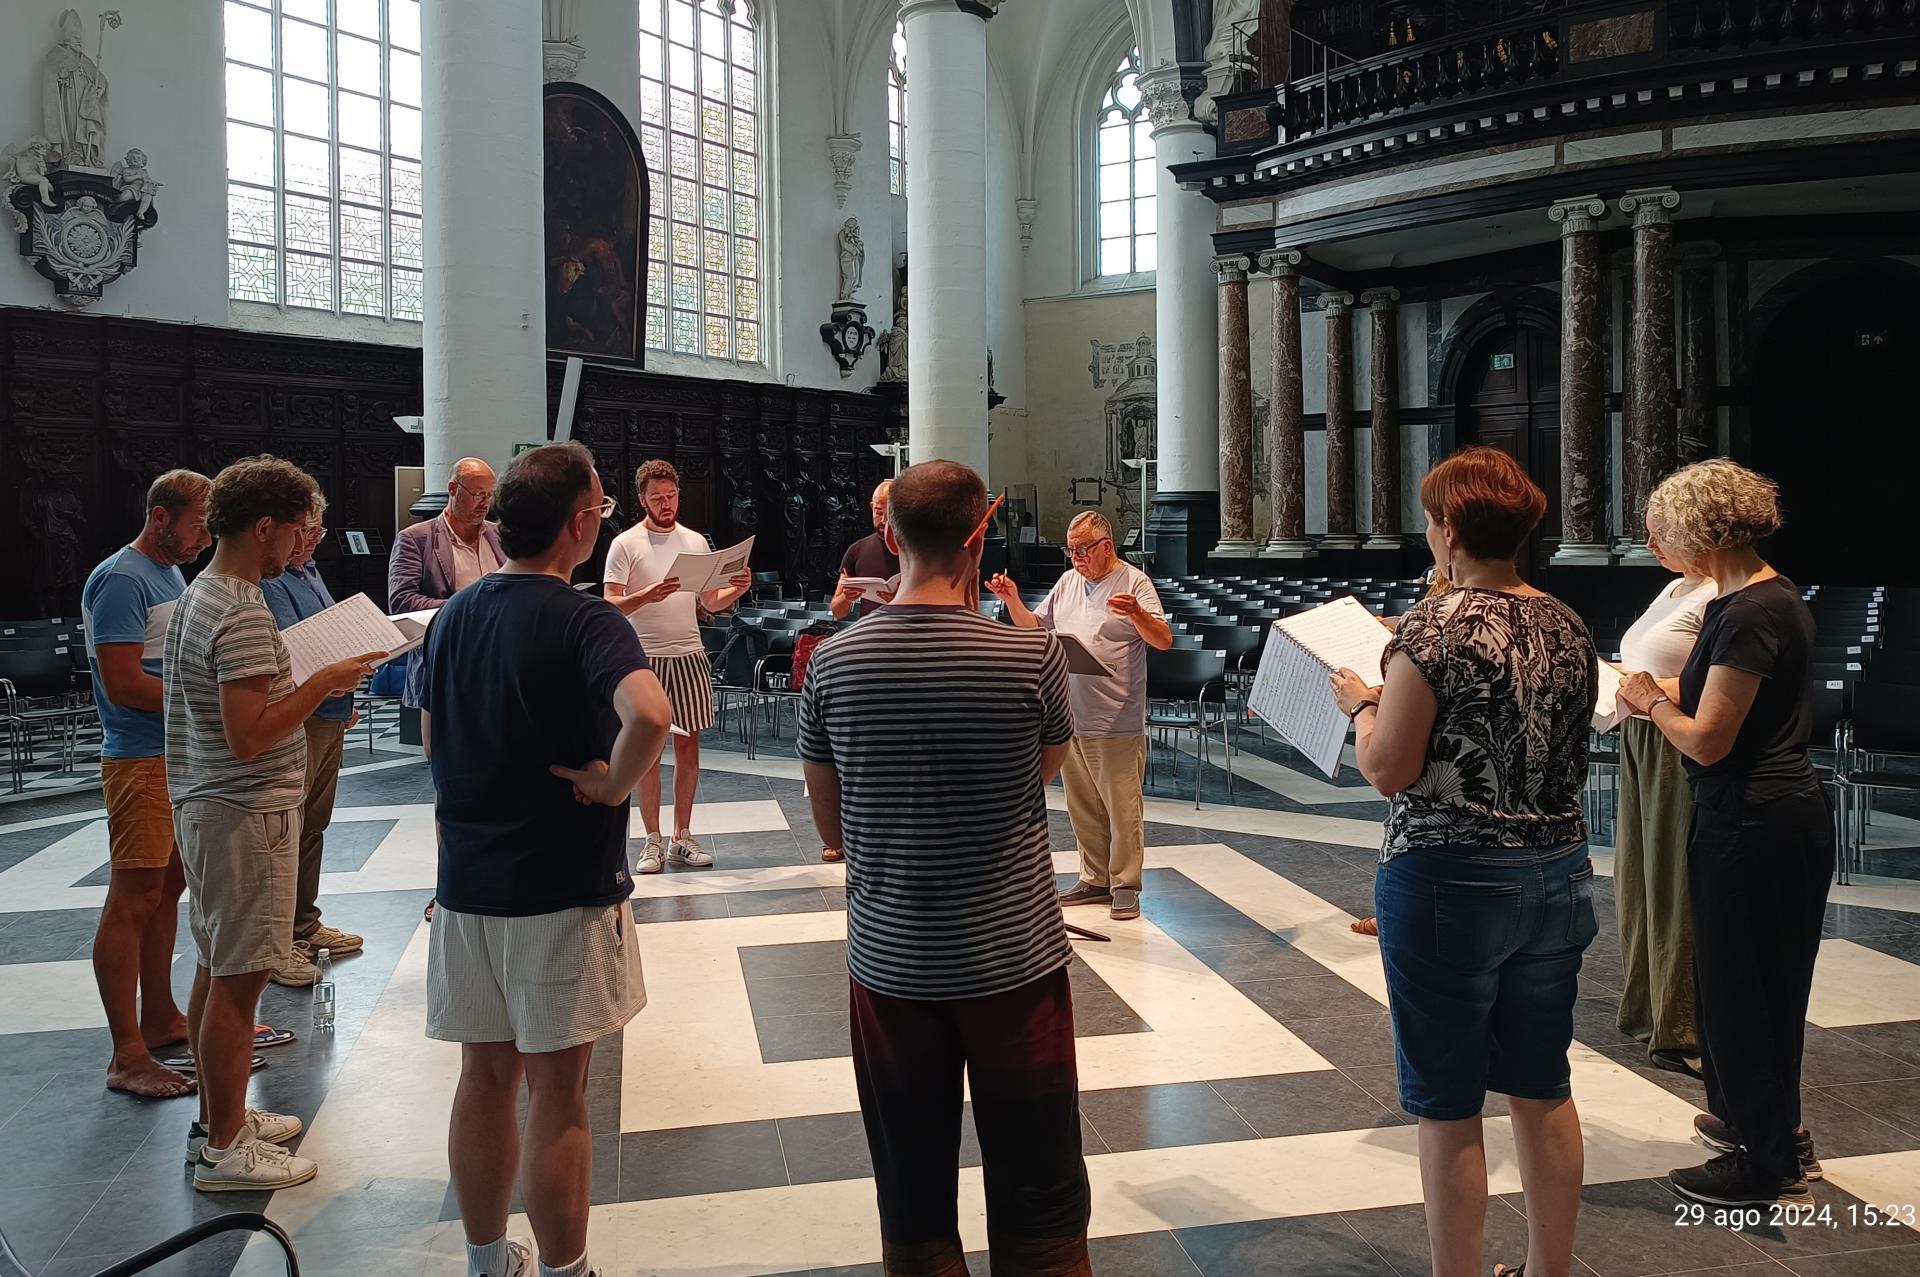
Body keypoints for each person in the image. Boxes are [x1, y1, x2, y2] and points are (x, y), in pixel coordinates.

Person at [798, 460, 1090, 1276]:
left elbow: (833, 828)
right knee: (1041, 1197)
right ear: (979, 535)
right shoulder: (1029, 657)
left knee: (914, 1196)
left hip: (892, 964)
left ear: (889, 537)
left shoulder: (832, 664)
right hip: (1013, 962)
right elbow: (1041, 771)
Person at [1329, 446, 1598, 1277]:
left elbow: (1389, 771)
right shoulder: (1567, 620)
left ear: (1448, 529)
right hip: (1557, 868)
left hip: (1452, 876)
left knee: (1447, 1103)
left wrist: (1365, 703)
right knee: (1542, 1086)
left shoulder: (1433, 629)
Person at [423, 442, 671, 1277]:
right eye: (600, 507)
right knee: (558, 1095)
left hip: (467, 885)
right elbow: (650, 714)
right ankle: (568, 1270)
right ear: (579, 524)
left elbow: (433, 737)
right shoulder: (586, 616)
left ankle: (488, 1260)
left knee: (483, 1079)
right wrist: (612, 789)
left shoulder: (454, 614)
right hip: (559, 889)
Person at [1618, 460, 1830, 1208]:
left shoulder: (1744, 612)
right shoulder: (1767, 596)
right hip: (1779, 812)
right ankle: (1769, 1124)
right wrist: (1660, 690)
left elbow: (1708, 738)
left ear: (1697, 530)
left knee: (1741, 991)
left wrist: (1648, 703)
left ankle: (1763, 1163)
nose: (1658, 541)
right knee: (1761, 985)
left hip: (1751, 818)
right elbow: (1722, 693)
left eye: (1665, 528)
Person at [165, 455, 381, 1192]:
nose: (300, 546)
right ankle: (225, 1149)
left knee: (217, 968)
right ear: (265, 527)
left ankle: (216, 1118)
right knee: (238, 982)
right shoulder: (242, 606)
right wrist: (323, 679)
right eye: (294, 532)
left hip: (215, 805)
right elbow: (249, 733)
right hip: (243, 811)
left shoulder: (206, 591)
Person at [82, 468, 212, 1099]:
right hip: (139, 758)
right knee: (132, 898)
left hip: (173, 751)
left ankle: (160, 1019)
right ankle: (125, 1053)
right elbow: (123, 683)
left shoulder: (167, 572)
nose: (205, 538)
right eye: (197, 524)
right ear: (161, 517)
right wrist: (203, 701)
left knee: (167, 890)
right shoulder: (120, 578)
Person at [987, 510, 1171, 922]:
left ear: (1107, 546)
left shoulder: (1134, 582)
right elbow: (1037, 628)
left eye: (1083, 549)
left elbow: (1163, 640)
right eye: (1070, 550)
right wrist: (1013, 599)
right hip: (1070, 712)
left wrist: (1138, 615)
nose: (1076, 558)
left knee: (1122, 807)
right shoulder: (1068, 581)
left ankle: (1124, 884)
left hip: (1115, 715)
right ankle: (1094, 877)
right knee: (1082, 804)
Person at [602, 459, 750, 873]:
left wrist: (735, 589)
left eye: (671, 496)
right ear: (642, 499)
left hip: (687, 653)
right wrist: (645, 596)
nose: (666, 504)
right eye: (657, 498)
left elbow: (709, 602)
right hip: (642, 657)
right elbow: (610, 603)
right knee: (649, 751)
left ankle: (681, 835)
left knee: (688, 746)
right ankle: (651, 838)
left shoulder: (694, 542)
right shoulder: (627, 543)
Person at [1611, 523, 1717, 1078]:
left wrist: (1642, 691)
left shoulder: (1719, 594)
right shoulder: (1675, 586)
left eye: (1662, 535)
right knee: (1638, 873)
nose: (1650, 547)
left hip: (1672, 736)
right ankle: (1647, 1006)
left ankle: (1680, 1023)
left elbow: (1712, 684)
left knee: (1672, 875)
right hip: (1640, 731)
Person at [261, 491, 365, 989]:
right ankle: (279, 942)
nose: (313, 541)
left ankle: (304, 923)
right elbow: (294, 643)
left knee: (314, 823)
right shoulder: (272, 579)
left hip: (328, 708)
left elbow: (331, 634)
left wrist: (347, 689)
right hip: (300, 714)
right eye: (306, 531)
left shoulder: (308, 571)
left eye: (320, 531)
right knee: (289, 827)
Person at [388, 457, 505, 708]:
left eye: (490, 495)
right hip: (447, 660)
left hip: (498, 659)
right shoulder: (416, 538)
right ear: (453, 489)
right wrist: (468, 607)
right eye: (478, 494)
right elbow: (401, 601)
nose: (486, 503)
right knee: (447, 745)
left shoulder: (498, 535)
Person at [829, 479, 899, 622]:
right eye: (878, 512)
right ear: (872, 507)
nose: (884, 521)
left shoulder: (919, 551)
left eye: (890, 513)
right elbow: (837, 612)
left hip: (908, 633)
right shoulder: (857, 550)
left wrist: (900, 602)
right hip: (869, 634)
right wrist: (846, 598)